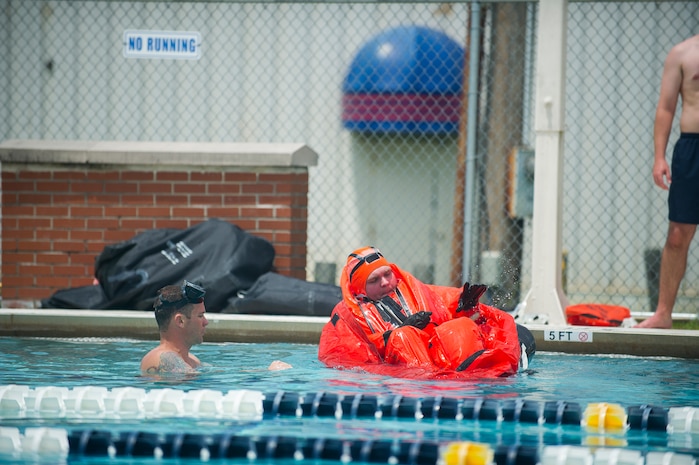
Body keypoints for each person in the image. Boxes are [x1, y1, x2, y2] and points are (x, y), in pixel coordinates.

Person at [318, 246, 534, 379]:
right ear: (359, 288)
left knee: (461, 326)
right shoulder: (346, 315)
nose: (385, 282)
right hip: (409, 370)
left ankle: (478, 371)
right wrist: (394, 334)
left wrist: (464, 304)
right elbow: (346, 353)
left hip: (439, 359)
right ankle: (440, 379)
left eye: (387, 274)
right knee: (403, 337)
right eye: (374, 280)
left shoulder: (410, 287)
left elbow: (443, 301)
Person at [635, 35, 699, 329]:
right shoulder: (682, 53)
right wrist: (659, 157)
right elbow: (666, 108)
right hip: (691, 148)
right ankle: (663, 314)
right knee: (677, 234)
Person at [141, 280, 291, 374]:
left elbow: (225, 373)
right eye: (200, 316)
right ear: (180, 321)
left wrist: (267, 370)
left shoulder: (191, 360)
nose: (206, 322)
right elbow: (193, 377)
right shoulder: (162, 357)